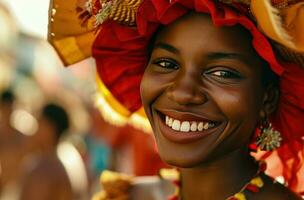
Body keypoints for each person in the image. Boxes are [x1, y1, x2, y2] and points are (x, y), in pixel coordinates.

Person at [48, 0, 304, 199]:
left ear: (268, 99)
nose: (182, 92)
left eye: (222, 73)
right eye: (166, 63)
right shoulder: (131, 197)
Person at [19, 103, 73, 200]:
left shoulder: (46, 169)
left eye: (39, 123)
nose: (34, 129)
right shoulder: (58, 164)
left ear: (50, 129)